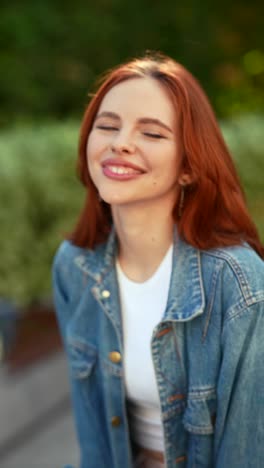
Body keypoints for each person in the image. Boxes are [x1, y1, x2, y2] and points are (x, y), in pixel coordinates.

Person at [52, 53, 264, 468]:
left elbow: (245, 455)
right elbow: (94, 439)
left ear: (188, 167)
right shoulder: (75, 267)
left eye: (151, 133)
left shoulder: (239, 283)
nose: (121, 142)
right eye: (108, 126)